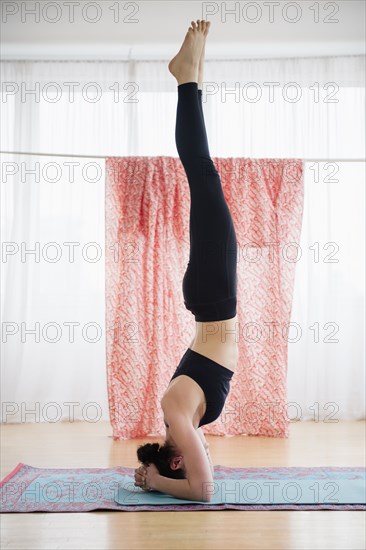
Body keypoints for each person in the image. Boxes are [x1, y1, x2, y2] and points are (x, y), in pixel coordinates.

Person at [134, 19, 238, 502]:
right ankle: (191, 76)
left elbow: (204, 490)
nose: (202, 452)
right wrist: (161, 476)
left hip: (213, 294)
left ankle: (186, 78)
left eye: (189, 456)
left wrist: (156, 483)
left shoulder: (177, 413)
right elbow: (203, 470)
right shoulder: (187, 418)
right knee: (204, 176)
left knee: (202, 174)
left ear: (176, 458)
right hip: (209, 296)